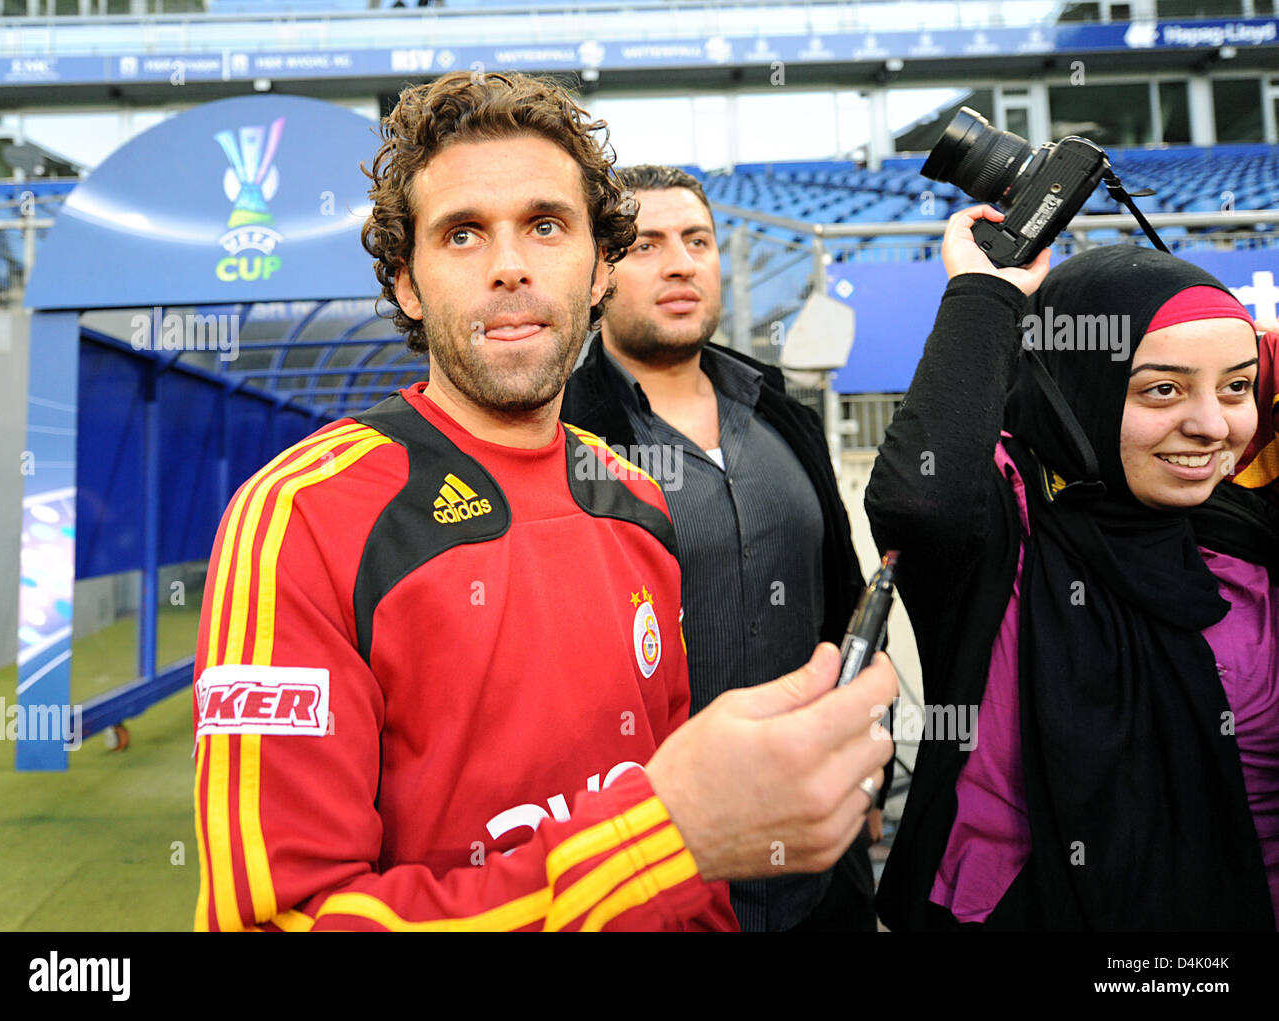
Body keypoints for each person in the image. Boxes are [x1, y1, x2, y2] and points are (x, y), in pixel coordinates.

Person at [190, 71, 895, 932]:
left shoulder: (638, 501)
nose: (511, 266)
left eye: (546, 225)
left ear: (599, 266)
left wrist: (685, 845)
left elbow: (689, 872)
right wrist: (660, 842)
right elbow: (277, 918)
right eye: (461, 235)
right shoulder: (301, 517)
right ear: (407, 283)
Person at [866, 204, 1278, 931]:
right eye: (1163, 388)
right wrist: (985, 295)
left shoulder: (1247, 538)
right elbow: (920, 500)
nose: (1213, 426)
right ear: (1074, 388)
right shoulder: (1006, 531)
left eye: (1237, 386)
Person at [561, 163, 883, 931]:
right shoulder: (564, 438)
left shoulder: (783, 413)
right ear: (598, 275)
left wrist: (866, 769)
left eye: (696, 240)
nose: (680, 262)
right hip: (655, 867)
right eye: (645, 245)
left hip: (819, 860)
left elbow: (843, 602)